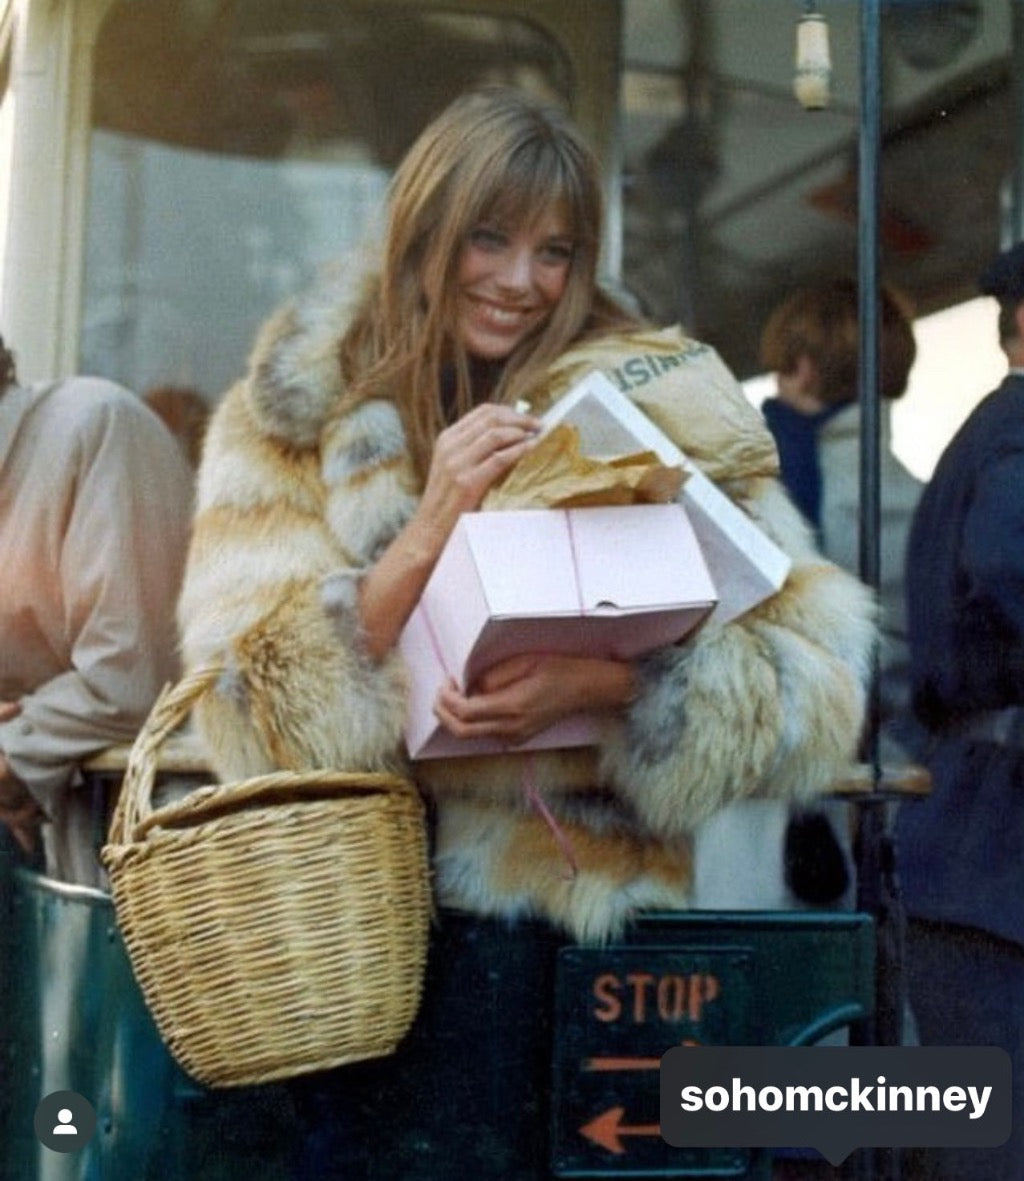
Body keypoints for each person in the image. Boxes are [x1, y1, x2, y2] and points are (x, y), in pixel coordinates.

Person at [177, 87, 876, 1176]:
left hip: (611, 945)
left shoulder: (658, 399)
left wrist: (602, 688)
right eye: (488, 239)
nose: (519, 280)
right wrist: (432, 524)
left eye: (556, 250)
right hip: (379, 944)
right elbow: (240, 704)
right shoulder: (293, 414)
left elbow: (822, 680)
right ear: (425, 233)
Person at [896, 239, 1024, 1181]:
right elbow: (1012, 563)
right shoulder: (1021, 432)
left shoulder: (992, 428)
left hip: (972, 846)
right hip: (995, 858)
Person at [749, 279, 923, 912]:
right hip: (905, 786)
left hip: (797, 806)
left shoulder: (780, 474)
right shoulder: (918, 496)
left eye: (778, 371)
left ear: (802, 369)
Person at [0, 334, 193, 883]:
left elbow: (127, 679)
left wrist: (15, 748)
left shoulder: (92, 426)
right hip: (65, 861)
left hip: (176, 868)